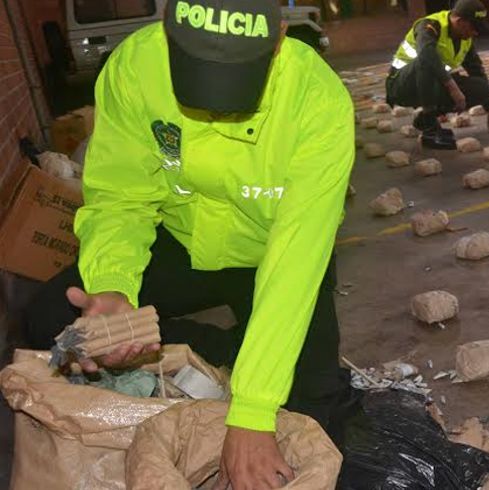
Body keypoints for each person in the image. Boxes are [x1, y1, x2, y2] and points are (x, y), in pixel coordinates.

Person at [22, 0, 355, 488]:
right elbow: (120, 196)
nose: (215, 106)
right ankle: (227, 350)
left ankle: (249, 364)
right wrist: (113, 288)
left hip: (270, 255)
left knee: (317, 406)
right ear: (166, 29)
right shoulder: (135, 67)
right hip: (181, 240)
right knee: (51, 320)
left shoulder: (318, 101)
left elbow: (297, 259)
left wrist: (254, 412)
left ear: (279, 37)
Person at [385, 0, 489, 150]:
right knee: (427, 58)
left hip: (430, 85)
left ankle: (424, 119)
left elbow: (476, 70)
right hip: (401, 86)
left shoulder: (465, 39)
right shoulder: (429, 26)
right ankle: (430, 131)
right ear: (460, 21)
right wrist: (453, 88)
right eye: (473, 27)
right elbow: (426, 55)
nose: (476, 32)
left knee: (482, 88)